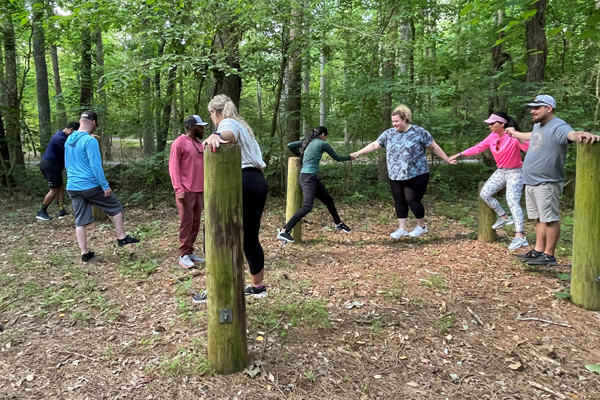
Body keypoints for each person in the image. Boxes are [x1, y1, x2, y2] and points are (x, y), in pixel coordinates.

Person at [507, 95, 600, 266]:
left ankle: (549, 255)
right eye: (532, 107)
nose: (532, 111)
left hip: (547, 181)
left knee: (549, 218)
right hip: (532, 181)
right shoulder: (538, 126)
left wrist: (582, 134)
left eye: (536, 108)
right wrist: (514, 134)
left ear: (548, 108)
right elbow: (532, 135)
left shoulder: (558, 126)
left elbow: (571, 134)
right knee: (539, 219)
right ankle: (538, 251)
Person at [195, 94, 269, 301]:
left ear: (214, 112)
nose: (211, 118)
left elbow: (228, 135)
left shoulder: (228, 123)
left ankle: (217, 288)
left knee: (214, 231)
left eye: (210, 114)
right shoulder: (243, 126)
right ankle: (257, 286)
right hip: (258, 182)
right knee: (249, 237)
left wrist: (217, 136)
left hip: (242, 182)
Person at [351, 105, 457, 238]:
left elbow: (434, 147)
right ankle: (402, 228)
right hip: (396, 174)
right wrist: (359, 152)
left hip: (417, 173)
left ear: (405, 119)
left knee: (412, 199)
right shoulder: (389, 134)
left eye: (397, 121)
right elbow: (375, 144)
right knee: (399, 200)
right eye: (393, 121)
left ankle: (421, 226)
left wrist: (447, 159)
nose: (394, 124)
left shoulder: (419, 132)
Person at [65, 111, 139, 262]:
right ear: (93, 123)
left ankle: (85, 254)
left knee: (80, 220)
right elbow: (96, 165)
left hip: (72, 185)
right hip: (89, 184)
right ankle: (122, 237)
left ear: (80, 121)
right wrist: (105, 186)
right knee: (115, 207)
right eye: (96, 125)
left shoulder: (69, 139)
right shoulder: (90, 141)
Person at [448, 112, 530, 250]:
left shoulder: (513, 136)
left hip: (515, 171)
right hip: (501, 171)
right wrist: (458, 154)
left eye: (493, 123)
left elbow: (527, 148)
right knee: (485, 193)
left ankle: (520, 236)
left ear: (502, 124)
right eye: (489, 123)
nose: (490, 126)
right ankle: (504, 217)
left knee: (512, 201)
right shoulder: (492, 136)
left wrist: (516, 135)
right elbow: (478, 148)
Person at [276, 127, 354, 243]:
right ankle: (284, 230)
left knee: (328, 200)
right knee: (307, 206)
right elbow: (337, 158)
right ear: (323, 135)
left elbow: (290, 145)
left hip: (310, 177)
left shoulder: (307, 142)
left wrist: (300, 156)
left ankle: (338, 223)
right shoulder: (322, 143)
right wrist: (350, 157)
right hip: (308, 178)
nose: (325, 138)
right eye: (325, 136)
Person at [169, 115, 207, 269]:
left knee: (196, 222)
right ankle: (184, 254)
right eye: (200, 126)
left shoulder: (199, 144)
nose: (203, 129)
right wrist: (179, 189)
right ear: (191, 127)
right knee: (186, 222)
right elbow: (173, 167)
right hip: (186, 190)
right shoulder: (179, 143)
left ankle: (190, 252)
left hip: (199, 190)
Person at [36, 121, 80, 220]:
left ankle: (61, 211)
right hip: (50, 166)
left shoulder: (63, 136)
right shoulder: (61, 138)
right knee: (54, 189)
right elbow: (72, 150)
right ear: (71, 130)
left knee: (60, 187)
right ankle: (41, 211)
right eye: (75, 134)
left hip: (55, 166)